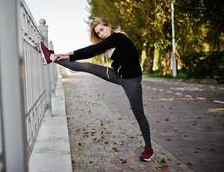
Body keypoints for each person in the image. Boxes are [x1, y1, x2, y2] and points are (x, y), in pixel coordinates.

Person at [39, 17, 154, 162]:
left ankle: (149, 148)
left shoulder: (117, 37)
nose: (100, 34)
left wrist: (70, 53)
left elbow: (93, 49)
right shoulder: (111, 41)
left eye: (102, 29)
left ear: (108, 26)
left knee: (139, 114)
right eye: (98, 32)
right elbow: (92, 52)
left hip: (131, 80)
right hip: (117, 74)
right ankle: (52, 57)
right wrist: (67, 55)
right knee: (86, 67)